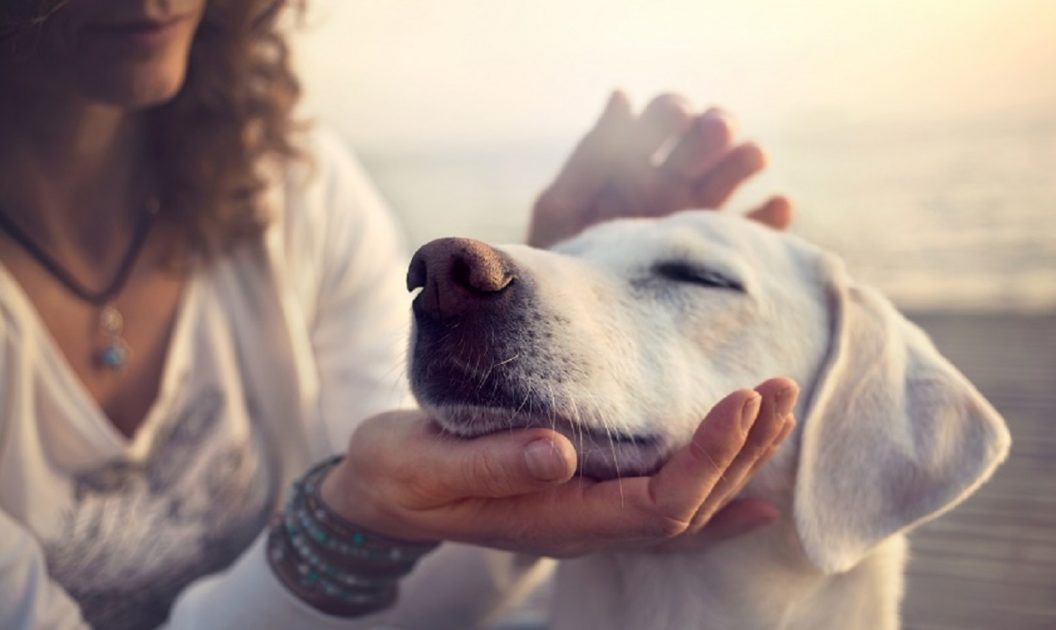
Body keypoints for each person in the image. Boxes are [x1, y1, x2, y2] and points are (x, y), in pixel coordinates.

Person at [0, 1, 799, 628]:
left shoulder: (289, 188)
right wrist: (348, 516)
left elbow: (414, 597)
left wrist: (550, 312)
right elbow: (380, 520)